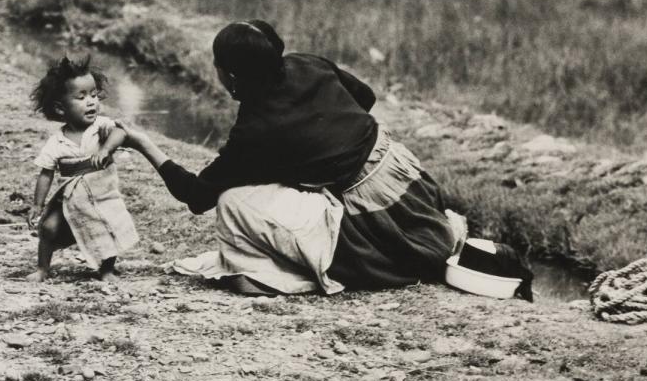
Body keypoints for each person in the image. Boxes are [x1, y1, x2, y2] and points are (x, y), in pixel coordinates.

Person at [121, 20, 464, 295]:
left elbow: (197, 196)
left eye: (217, 66)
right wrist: (327, 148)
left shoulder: (255, 129)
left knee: (232, 201)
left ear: (232, 76)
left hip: (372, 205)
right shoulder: (306, 63)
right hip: (402, 173)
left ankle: (270, 273)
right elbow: (366, 97)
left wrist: (143, 144)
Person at [27, 56, 137, 284]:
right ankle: (42, 268)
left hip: (102, 195)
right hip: (71, 199)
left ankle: (106, 269)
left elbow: (121, 132)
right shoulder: (57, 142)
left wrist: (106, 149)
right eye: (82, 97)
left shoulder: (100, 128)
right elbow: (46, 173)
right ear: (60, 107)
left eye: (94, 95)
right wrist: (37, 205)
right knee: (48, 228)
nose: (91, 102)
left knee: (107, 229)